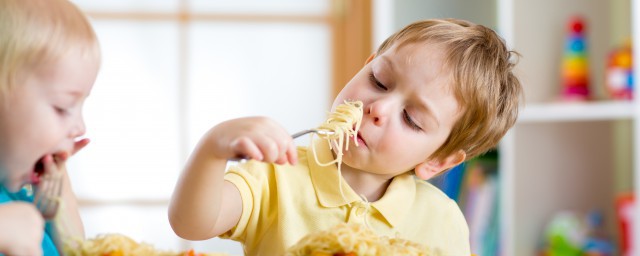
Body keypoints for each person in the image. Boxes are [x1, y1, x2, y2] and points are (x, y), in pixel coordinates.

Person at [169, 18, 522, 255]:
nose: (378, 108)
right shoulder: (275, 176)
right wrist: (214, 148)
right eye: (379, 81)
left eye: (411, 119)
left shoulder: (442, 220)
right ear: (366, 64)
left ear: (438, 160)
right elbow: (191, 222)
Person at [0, 0, 101, 255]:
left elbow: (75, 249)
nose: (80, 127)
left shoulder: (23, 200)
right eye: (62, 107)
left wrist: (59, 206)